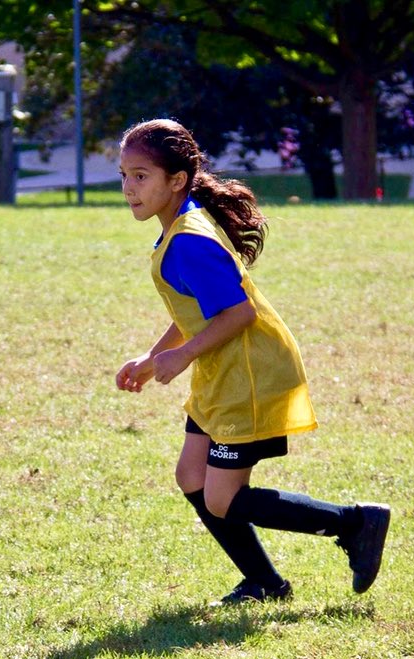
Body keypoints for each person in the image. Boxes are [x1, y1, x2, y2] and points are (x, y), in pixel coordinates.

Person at [114, 119, 390, 605]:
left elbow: (237, 313)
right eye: (124, 175)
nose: (129, 189)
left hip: (251, 375)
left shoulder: (190, 239)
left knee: (222, 498)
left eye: (141, 176)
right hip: (224, 372)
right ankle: (264, 580)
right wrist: (153, 356)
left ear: (176, 180)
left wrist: (179, 357)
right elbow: (200, 307)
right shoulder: (179, 226)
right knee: (191, 476)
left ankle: (355, 523)